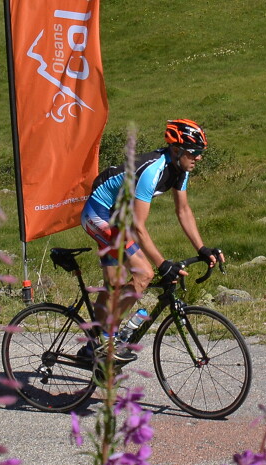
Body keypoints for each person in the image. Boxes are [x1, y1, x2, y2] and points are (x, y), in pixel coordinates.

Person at [78, 119, 225, 360]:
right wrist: (162, 264)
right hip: (99, 213)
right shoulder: (153, 170)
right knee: (144, 273)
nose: (198, 158)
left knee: (115, 284)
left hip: (118, 215)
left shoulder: (180, 168)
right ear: (176, 150)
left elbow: (184, 210)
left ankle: (92, 347)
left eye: (201, 153)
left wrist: (202, 247)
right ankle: (105, 339)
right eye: (194, 152)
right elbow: (137, 227)